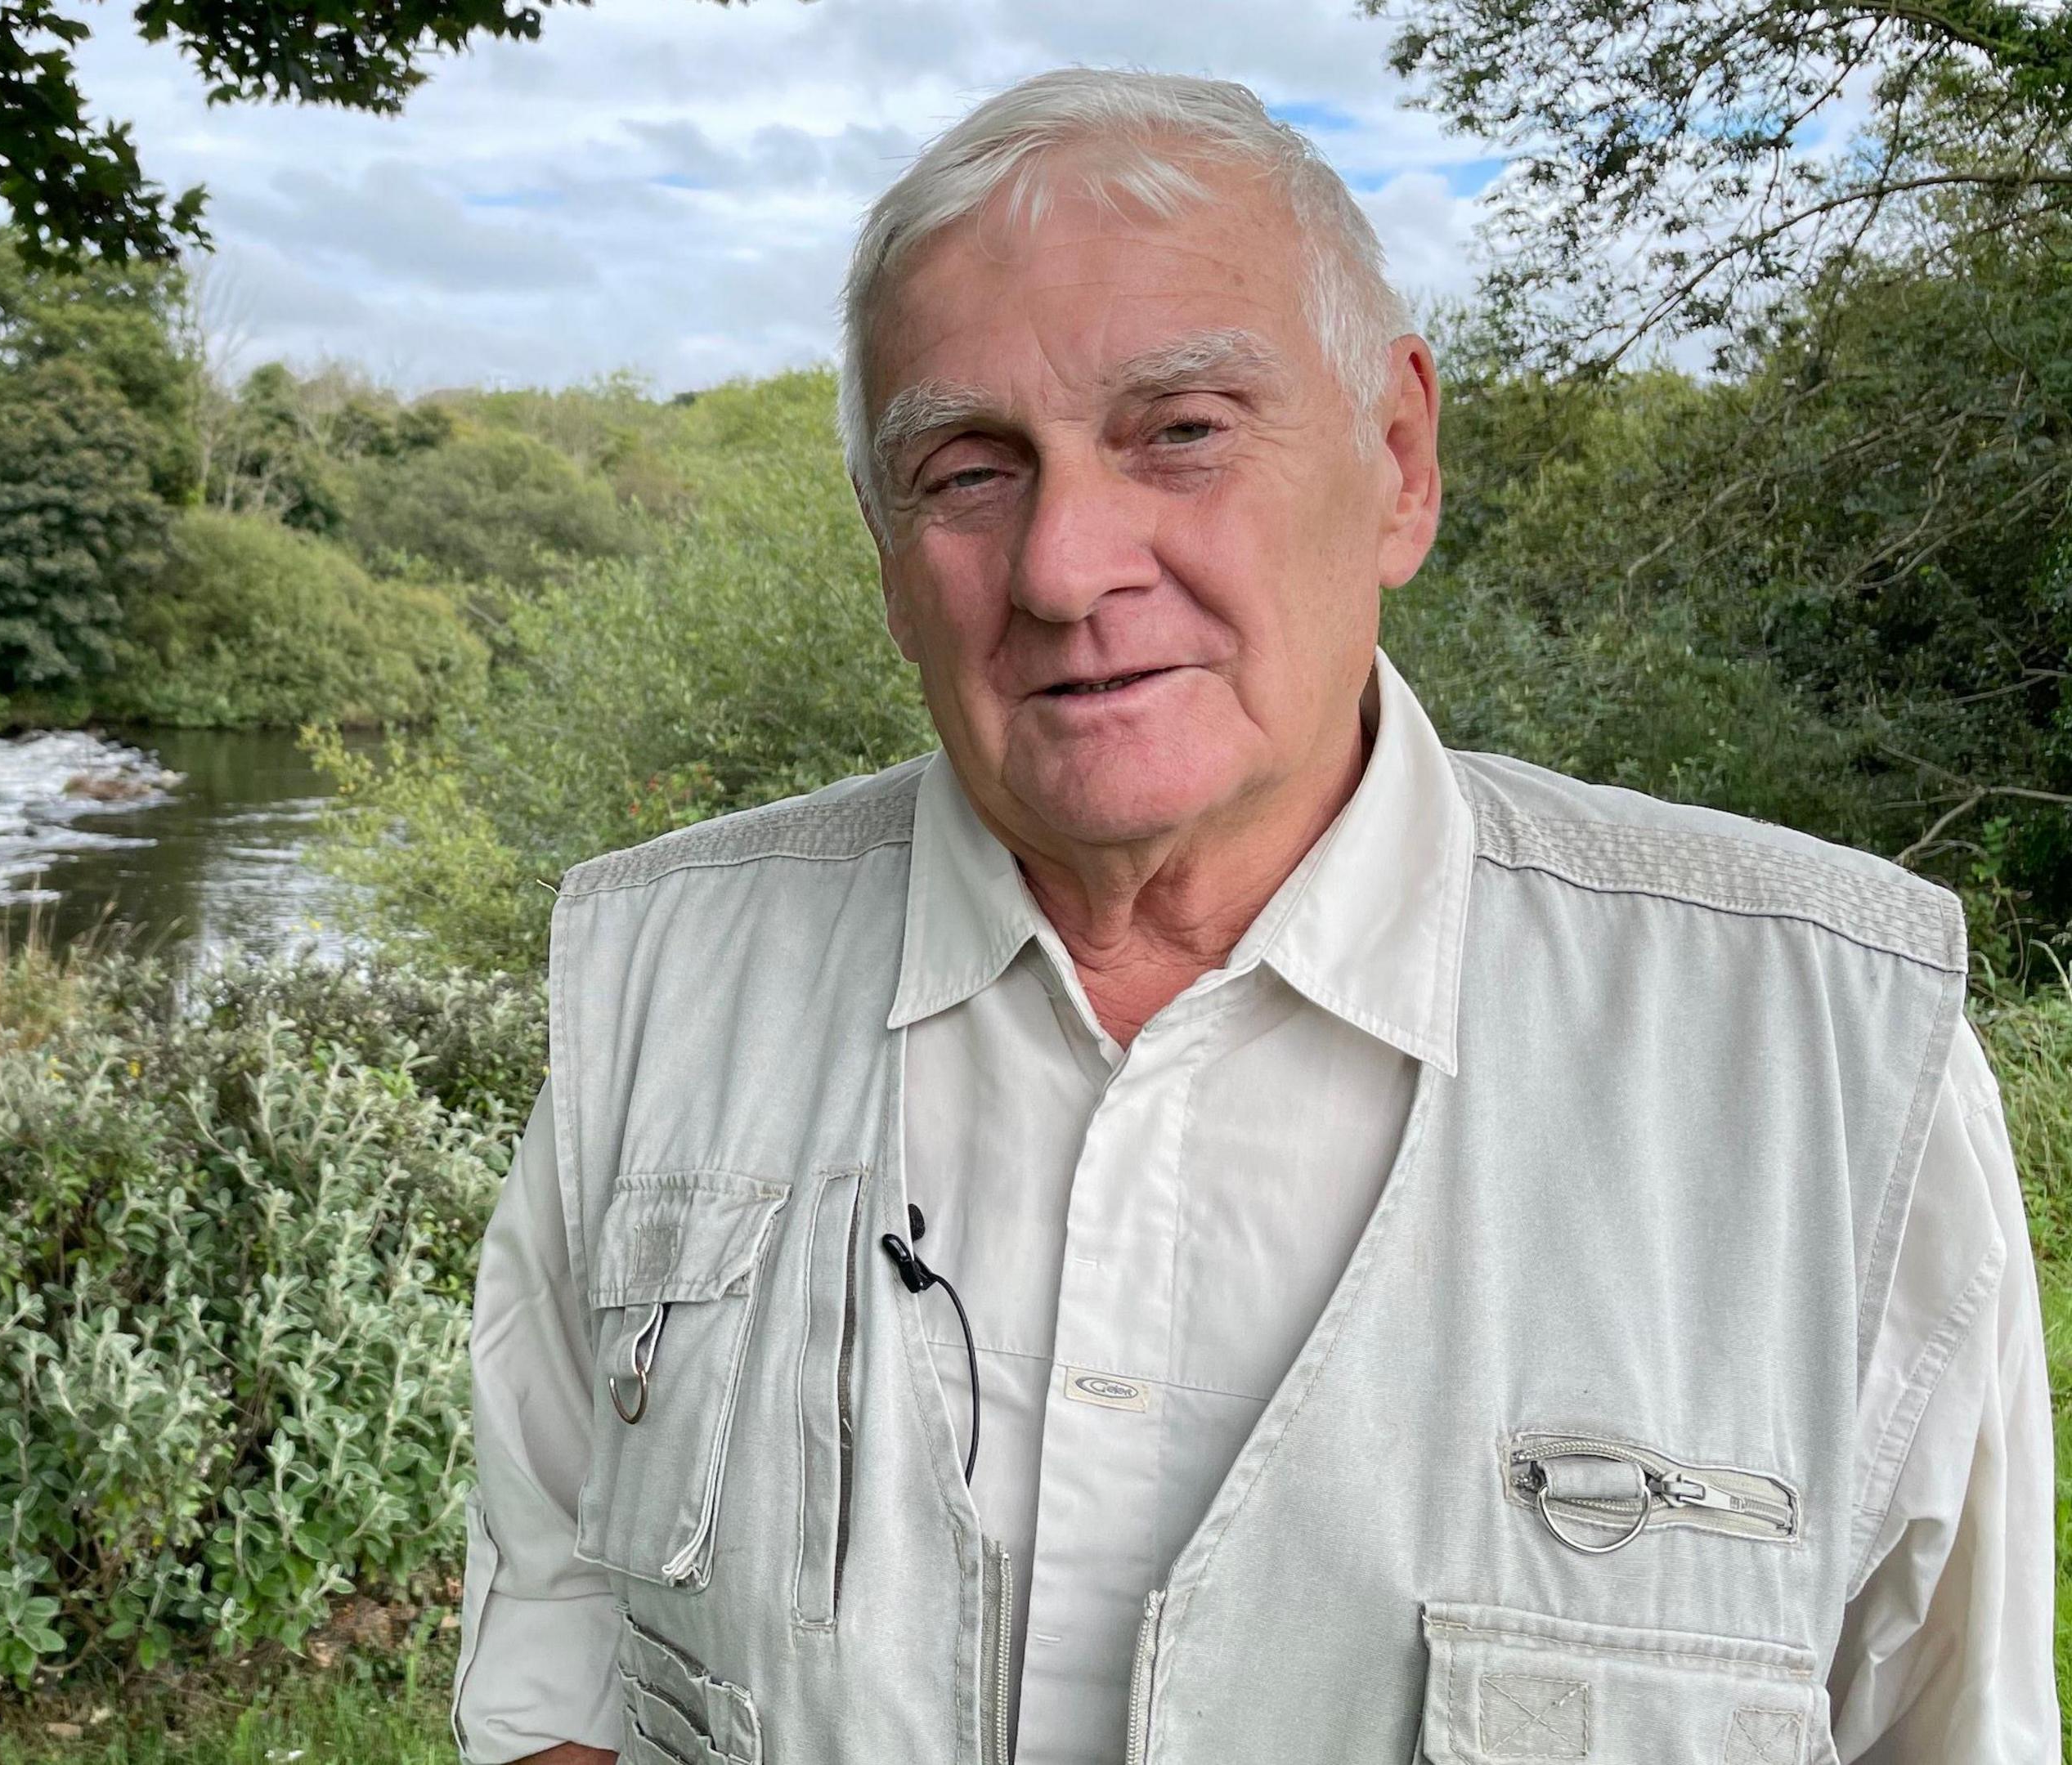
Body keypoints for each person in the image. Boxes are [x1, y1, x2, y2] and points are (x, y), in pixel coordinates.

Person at [452, 68, 2058, 1765]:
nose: (1068, 565)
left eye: (1184, 432)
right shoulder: (657, 987)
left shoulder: (1828, 1055)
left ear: (1398, 465)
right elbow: (564, 1672)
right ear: (884, 549)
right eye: (969, 470)